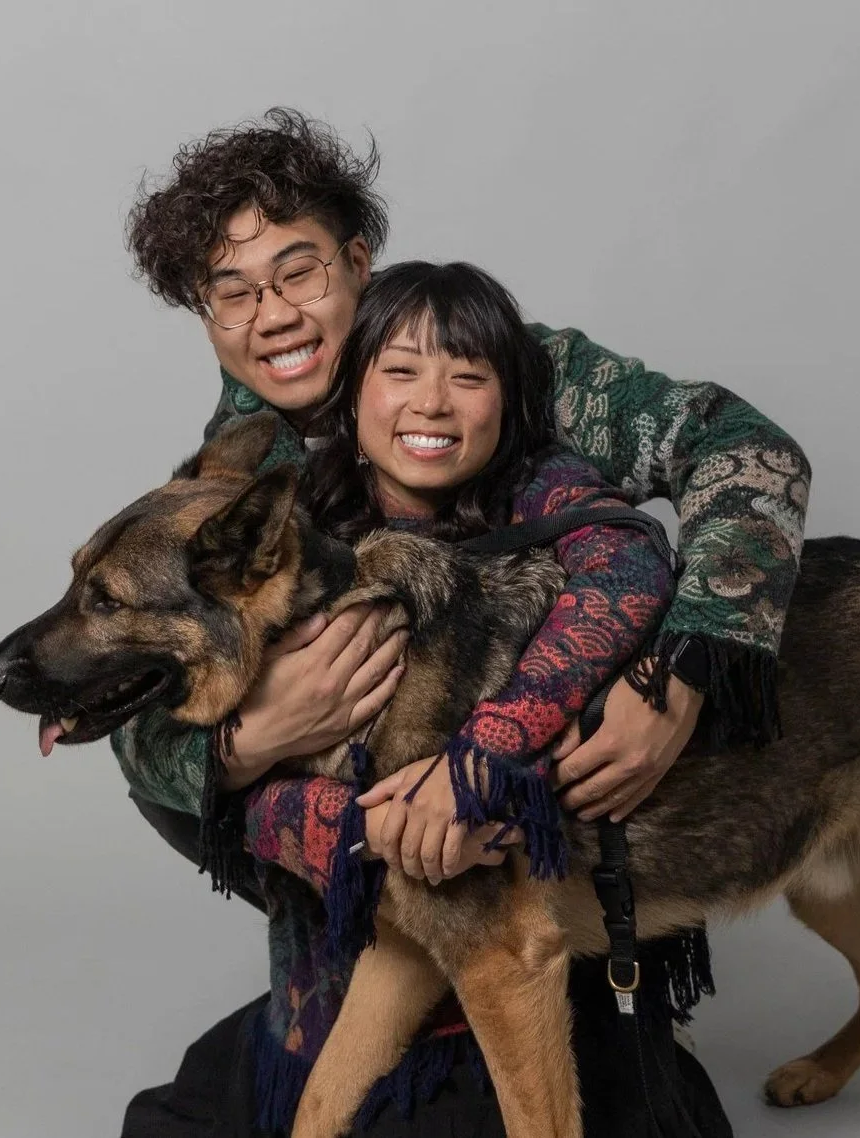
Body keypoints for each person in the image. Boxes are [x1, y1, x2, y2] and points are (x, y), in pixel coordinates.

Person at [113, 110, 811, 1136]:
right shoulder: (240, 463)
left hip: (547, 796)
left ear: (356, 260)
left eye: (296, 272)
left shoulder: (502, 366)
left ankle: (573, 985)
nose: (270, 316)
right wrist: (252, 738)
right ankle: (394, 951)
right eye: (230, 292)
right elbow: (140, 699)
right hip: (382, 825)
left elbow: (747, 456)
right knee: (177, 771)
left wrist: (682, 671)